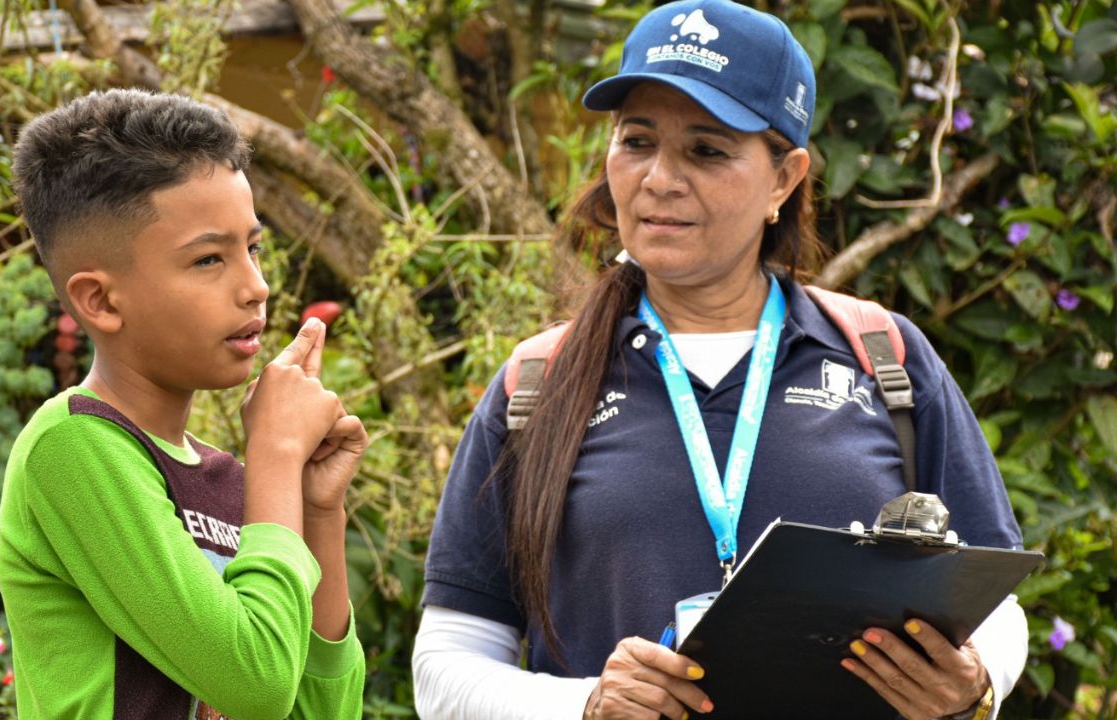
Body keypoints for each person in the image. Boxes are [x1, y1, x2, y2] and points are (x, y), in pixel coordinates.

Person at [412, 1, 1027, 719]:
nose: (659, 178)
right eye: (636, 141)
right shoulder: (539, 383)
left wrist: (976, 684)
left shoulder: (882, 358)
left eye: (706, 150)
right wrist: (586, 705)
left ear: (784, 179)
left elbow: (997, 603)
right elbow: (445, 664)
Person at [0, 89, 366, 719]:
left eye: (253, 248)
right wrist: (277, 452)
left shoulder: (229, 482)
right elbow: (257, 684)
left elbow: (323, 712)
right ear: (101, 301)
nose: (256, 286)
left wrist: (314, 508)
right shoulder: (73, 446)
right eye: (208, 259)